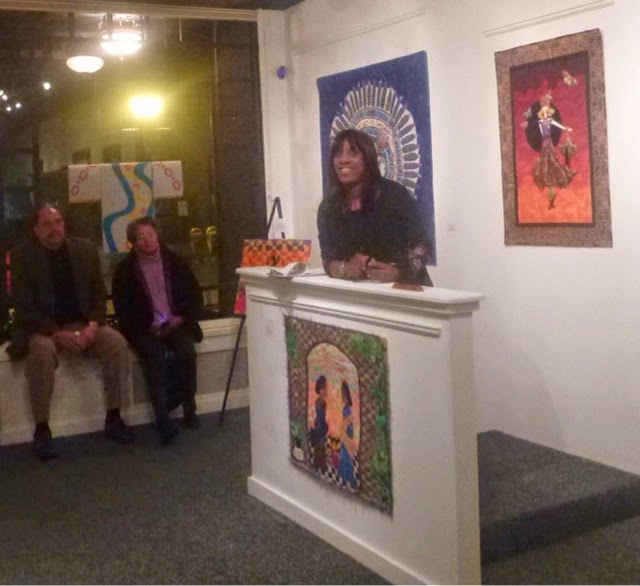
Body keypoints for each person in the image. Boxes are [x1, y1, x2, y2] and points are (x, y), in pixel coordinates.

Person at [8, 204, 134, 460]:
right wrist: (56, 333)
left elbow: (99, 294)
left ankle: (114, 417)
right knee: (41, 355)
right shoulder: (22, 256)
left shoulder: (85, 250)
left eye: (58, 222)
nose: (54, 229)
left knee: (117, 344)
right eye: (47, 224)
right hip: (44, 329)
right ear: (36, 230)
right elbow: (23, 304)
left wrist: (93, 326)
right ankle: (42, 429)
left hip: (84, 323)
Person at [112, 217, 203, 445]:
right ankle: (163, 420)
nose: (147, 240)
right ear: (133, 242)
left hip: (175, 322)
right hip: (143, 328)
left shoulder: (176, 261)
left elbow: (194, 294)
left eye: (151, 235)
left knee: (186, 353)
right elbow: (122, 308)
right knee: (156, 358)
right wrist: (145, 325)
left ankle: (189, 409)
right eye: (141, 237)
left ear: (158, 236)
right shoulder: (125, 270)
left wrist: (180, 318)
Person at [317, 128, 433, 286]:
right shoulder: (328, 207)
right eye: (338, 154)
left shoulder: (394, 195)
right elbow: (328, 260)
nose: (343, 160)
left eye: (353, 153)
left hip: (406, 290)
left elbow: (423, 245)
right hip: (358, 296)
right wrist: (345, 269)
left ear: (368, 159)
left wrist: (398, 272)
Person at [337, 381, 357, 489]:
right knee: (345, 455)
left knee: (346, 456)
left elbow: (349, 424)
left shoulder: (347, 408)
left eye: (343, 394)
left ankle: (349, 479)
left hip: (347, 435)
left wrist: (347, 436)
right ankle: (345, 478)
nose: (342, 397)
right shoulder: (346, 407)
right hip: (345, 435)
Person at [308, 375, 329, 471]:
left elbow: (319, 415)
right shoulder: (322, 402)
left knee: (319, 445)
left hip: (319, 425)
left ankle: (318, 463)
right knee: (320, 445)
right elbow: (321, 416)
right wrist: (324, 426)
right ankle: (320, 463)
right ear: (321, 390)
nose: (327, 390)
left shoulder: (318, 401)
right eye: (325, 388)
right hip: (321, 426)